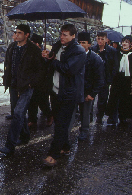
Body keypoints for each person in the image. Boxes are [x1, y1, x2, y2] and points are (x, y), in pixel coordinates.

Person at [42, 24, 86, 166]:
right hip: (55, 90)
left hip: (68, 93)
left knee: (61, 124)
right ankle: (65, 147)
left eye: (65, 34)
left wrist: (53, 61)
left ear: (73, 36)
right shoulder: (57, 46)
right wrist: (47, 58)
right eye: (61, 34)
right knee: (60, 122)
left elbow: (68, 69)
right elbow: (50, 65)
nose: (62, 37)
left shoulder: (78, 51)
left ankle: (53, 154)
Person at [0, 24, 44, 156]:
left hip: (26, 86)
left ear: (26, 35)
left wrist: (31, 83)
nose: (16, 35)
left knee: (18, 113)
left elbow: (40, 70)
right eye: (16, 32)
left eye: (19, 33)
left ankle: (10, 145)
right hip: (13, 85)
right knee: (18, 112)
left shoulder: (33, 50)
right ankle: (24, 136)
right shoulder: (12, 47)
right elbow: (8, 64)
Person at [77, 32, 104, 140]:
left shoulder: (95, 59)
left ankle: (84, 131)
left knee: (85, 113)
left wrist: (92, 94)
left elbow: (100, 79)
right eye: (79, 42)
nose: (81, 45)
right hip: (75, 89)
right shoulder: (74, 55)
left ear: (89, 44)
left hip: (87, 90)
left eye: (83, 42)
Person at [91, 32, 118, 123]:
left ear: (106, 40)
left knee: (102, 99)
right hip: (94, 78)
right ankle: (89, 116)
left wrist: (110, 79)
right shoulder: (93, 49)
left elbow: (114, 66)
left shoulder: (112, 51)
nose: (100, 41)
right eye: (98, 38)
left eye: (102, 39)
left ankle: (100, 116)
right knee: (91, 98)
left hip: (105, 79)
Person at [28, 33, 53, 127]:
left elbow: (43, 69)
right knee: (31, 102)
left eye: (33, 43)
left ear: (37, 44)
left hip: (42, 82)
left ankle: (49, 115)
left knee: (42, 102)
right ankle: (33, 120)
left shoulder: (42, 54)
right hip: (31, 81)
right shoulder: (29, 53)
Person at [106, 35, 132, 125]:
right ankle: (112, 117)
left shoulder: (131, 54)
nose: (124, 44)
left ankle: (123, 117)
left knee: (125, 99)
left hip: (128, 79)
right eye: (123, 42)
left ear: (130, 44)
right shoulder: (117, 53)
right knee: (114, 97)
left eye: (127, 42)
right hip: (117, 78)